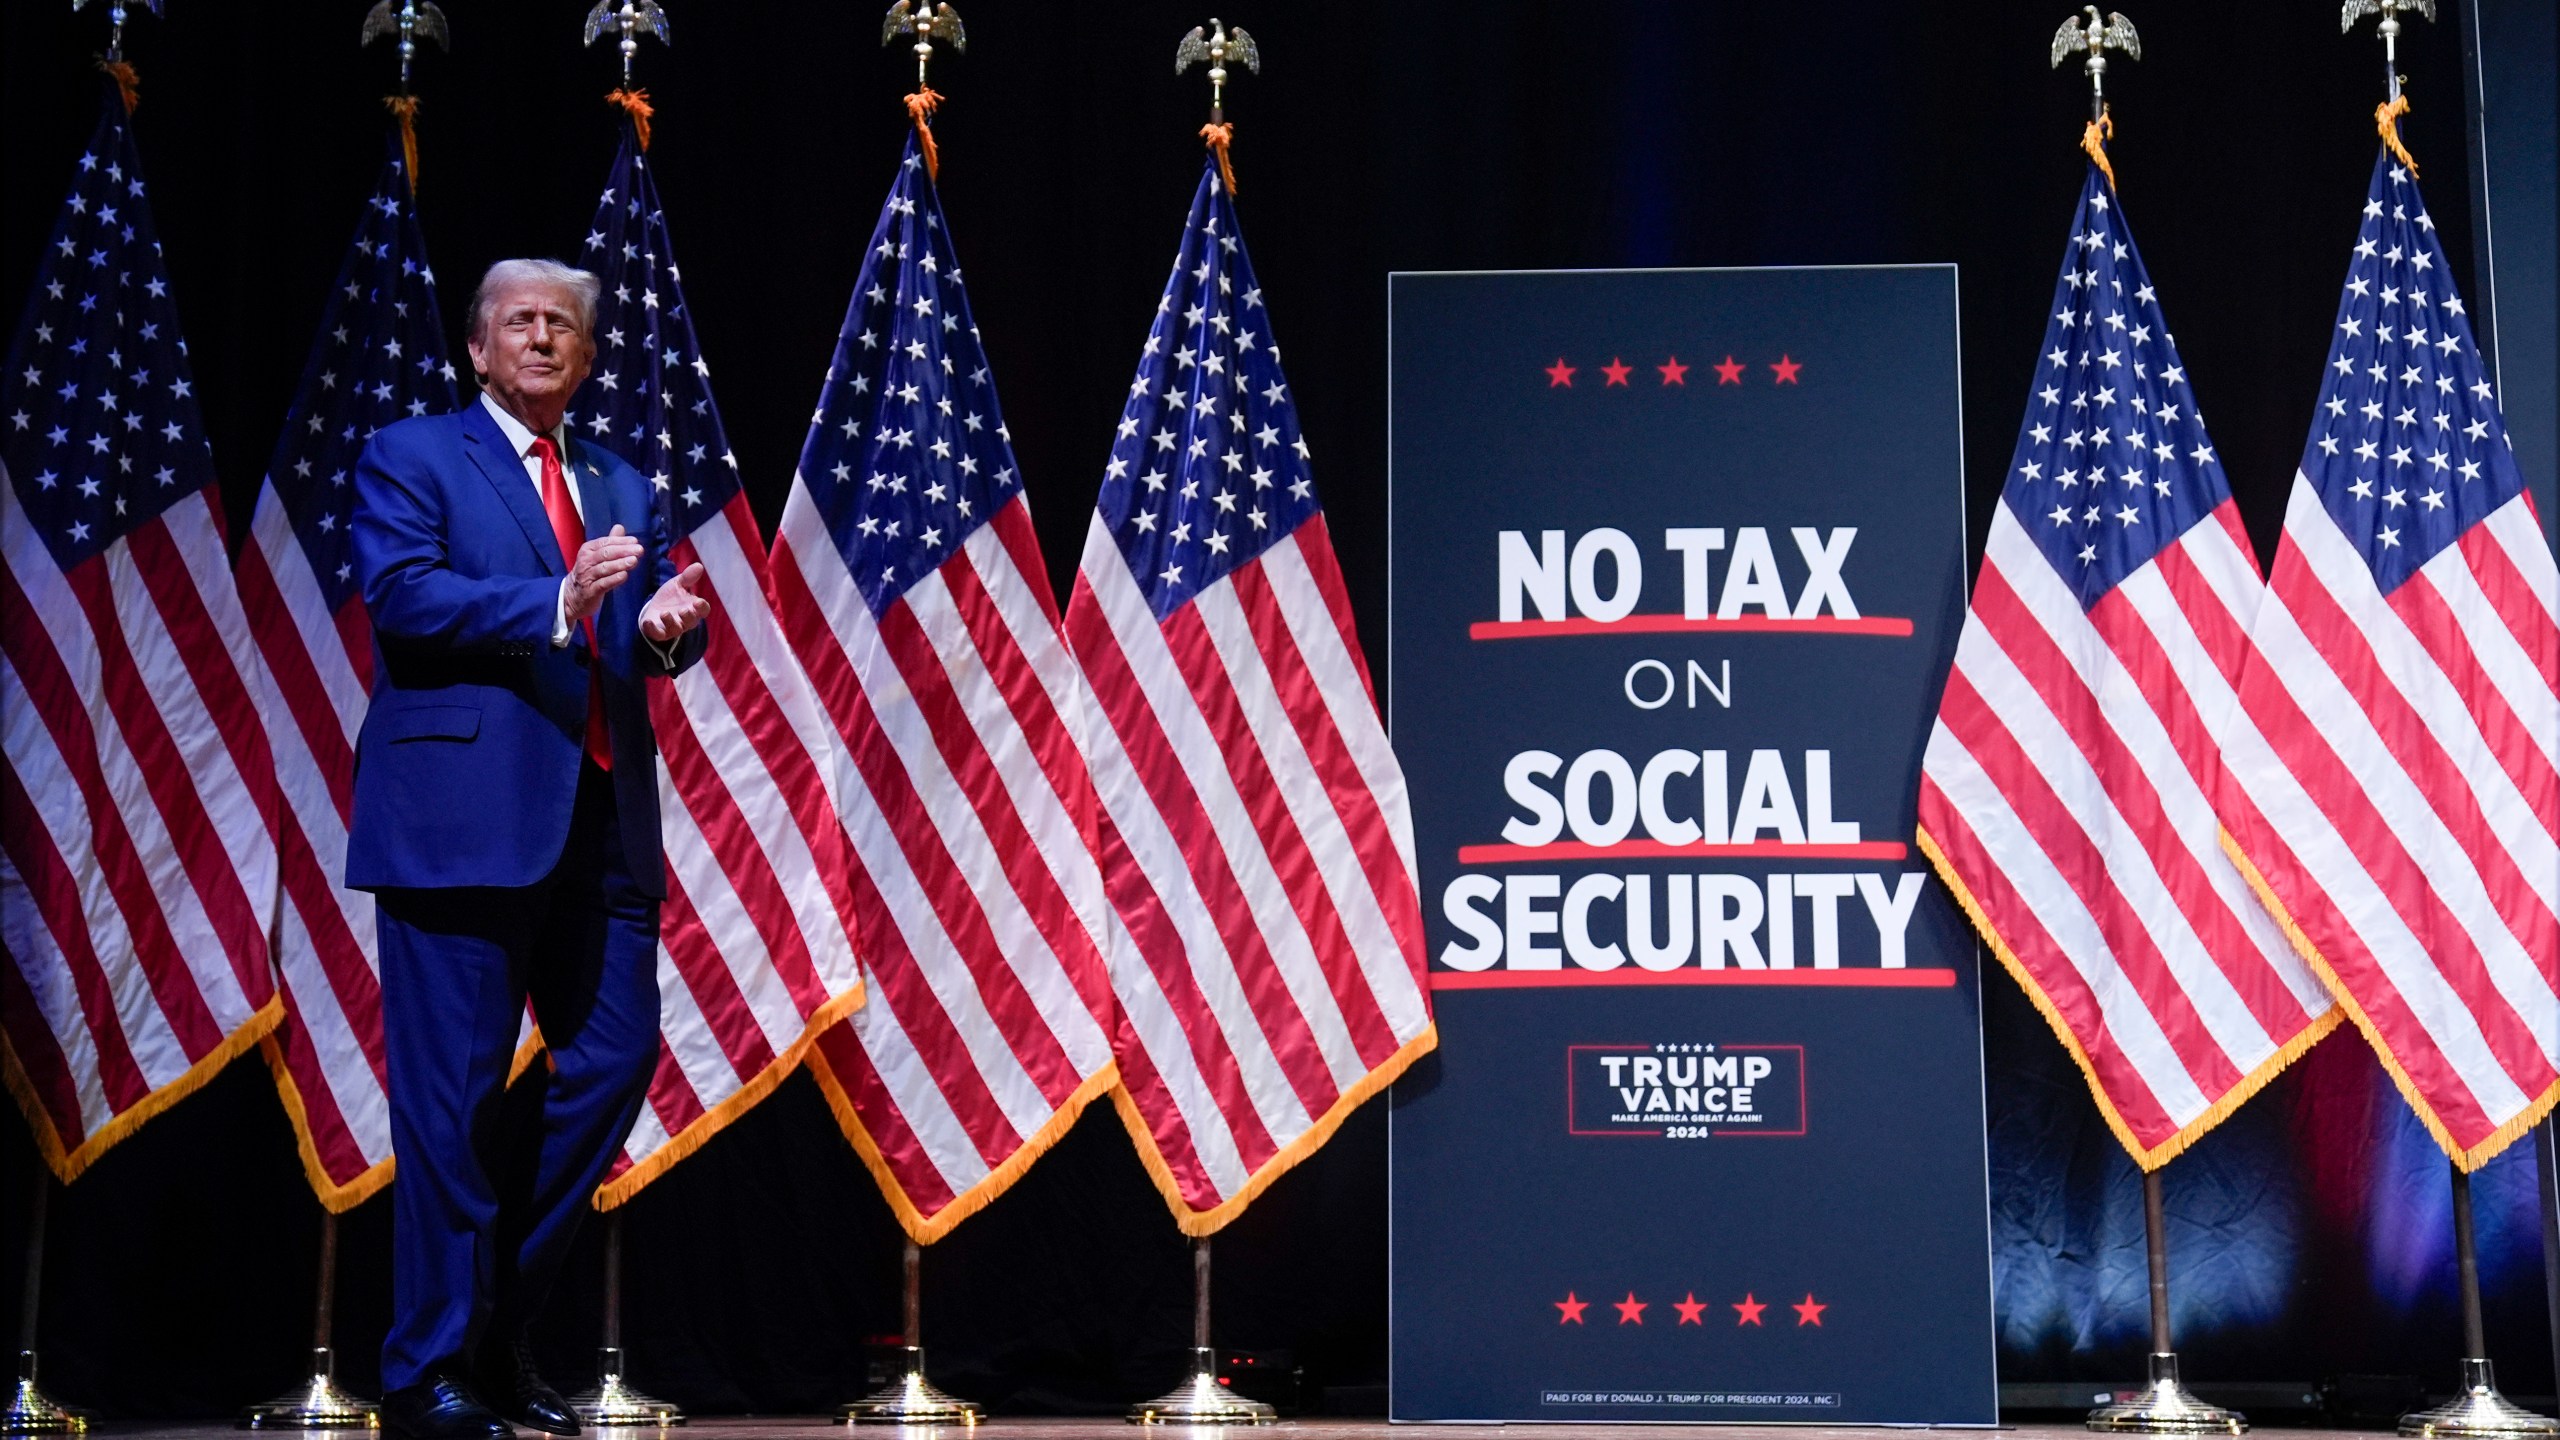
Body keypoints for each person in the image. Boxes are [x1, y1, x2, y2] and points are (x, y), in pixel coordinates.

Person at [348, 258, 712, 1440]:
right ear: (478, 347)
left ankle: (488, 1334)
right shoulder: (415, 454)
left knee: (610, 1064)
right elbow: (402, 596)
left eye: (564, 325)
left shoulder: (620, 481)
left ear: (589, 356)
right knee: (447, 1109)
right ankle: (428, 1374)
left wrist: (660, 631)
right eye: (521, 321)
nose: (543, 338)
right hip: (461, 823)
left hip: (601, 828)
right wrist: (555, 603)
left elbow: (631, 621)